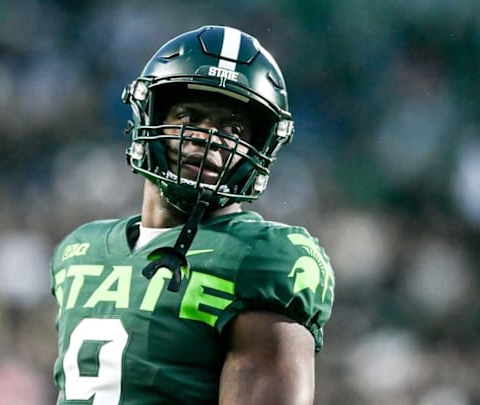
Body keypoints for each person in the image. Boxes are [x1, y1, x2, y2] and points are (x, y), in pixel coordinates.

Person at [50, 25, 335, 405]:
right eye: (188, 117)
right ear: (148, 116)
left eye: (233, 128)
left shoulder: (262, 258)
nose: (210, 138)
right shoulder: (80, 250)